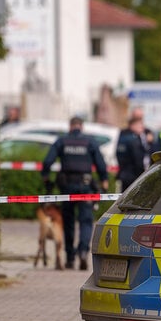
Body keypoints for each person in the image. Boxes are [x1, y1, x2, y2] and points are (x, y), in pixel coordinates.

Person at [40, 116, 109, 270]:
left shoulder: (62, 141)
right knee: (85, 221)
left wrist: (46, 177)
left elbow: (47, 161)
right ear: (81, 127)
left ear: (70, 126)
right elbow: (100, 163)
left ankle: (70, 258)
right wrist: (104, 179)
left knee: (69, 222)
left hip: (67, 188)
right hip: (85, 187)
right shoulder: (89, 141)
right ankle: (83, 251)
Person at [116, 116, 149, 191]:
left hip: (123, 174)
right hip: (134, 176)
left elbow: (118, 154)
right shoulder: (134, 140)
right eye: (140, 125)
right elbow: (138, 159)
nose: (142, 128)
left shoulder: (122, 136)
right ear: (133, 125)